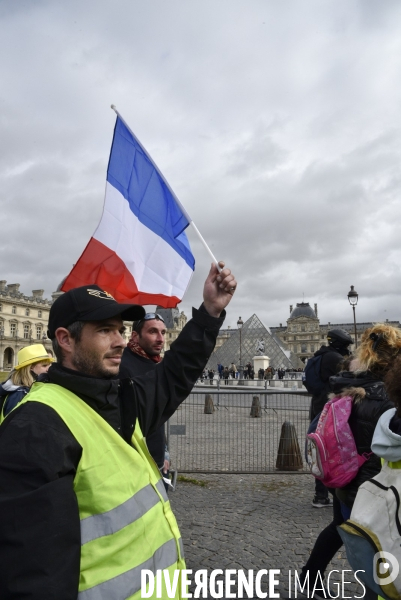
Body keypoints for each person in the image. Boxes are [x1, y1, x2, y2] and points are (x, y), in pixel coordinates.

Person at [0, 261, 237, 599]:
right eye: (105, 330)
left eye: (120, 330)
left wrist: (210, 312)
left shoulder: (119, 399)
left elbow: (173, 374)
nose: (120, 341)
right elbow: (34, 577)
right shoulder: (35, 429)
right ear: (65, 339)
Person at [298, 323, 401, 600]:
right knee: (378, 543)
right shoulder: (387, 396)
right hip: (373, 487)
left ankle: (310, 577)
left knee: (339, 528)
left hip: (343, 477)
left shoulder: (348, 382)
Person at [120, 312, 171, 490]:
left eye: (163, 333)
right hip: (135, 464)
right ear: (135, 336)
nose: (160, 339)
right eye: (153, 332)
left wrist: (164, 452)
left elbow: (155, 416)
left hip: (154, 459)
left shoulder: (151, 362)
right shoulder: (123, 367)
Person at [309, 328, 353, 508]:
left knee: (321, 449)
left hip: (317, 406)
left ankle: (320, 495)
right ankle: (339, 493)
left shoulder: (320, 356)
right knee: (336, 450)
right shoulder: (335, 359)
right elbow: (352, 378)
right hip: (332, 410)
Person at [0, 343, 53, 418]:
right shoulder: (19, 395)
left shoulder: (25, 390)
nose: (49, 369)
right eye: (44, 366)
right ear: (31, 367)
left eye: (50, 365)